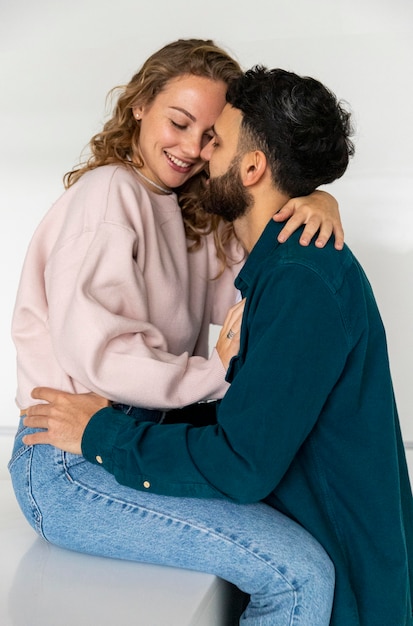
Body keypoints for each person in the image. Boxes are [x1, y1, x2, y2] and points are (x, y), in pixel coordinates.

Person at [21, 67, 413, 625]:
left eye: (215, 139)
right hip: (69, 443)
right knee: (299, 571)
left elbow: (242, 451)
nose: (200, 153)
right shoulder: (113, 199)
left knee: (301, 573)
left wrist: (316, 196)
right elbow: (101, 357)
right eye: (184, 126)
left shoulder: (293, 272)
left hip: (108, 431)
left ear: (252, 167)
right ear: (139, 107)